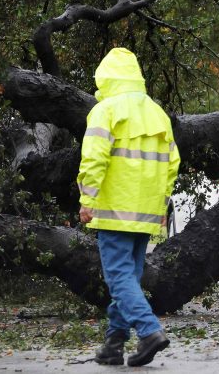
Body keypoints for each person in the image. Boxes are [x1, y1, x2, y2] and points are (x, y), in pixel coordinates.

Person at [76, 47, 180, 367]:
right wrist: (162, 203)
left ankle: (149, 331)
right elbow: (172, 163)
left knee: (119, 277)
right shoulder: (157, 113)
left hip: (114, 210)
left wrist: (86, 199)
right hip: (146, 212)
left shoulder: (105, 110)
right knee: (129, 278)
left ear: (104, 78)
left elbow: (94, 158)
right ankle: (114, 342)